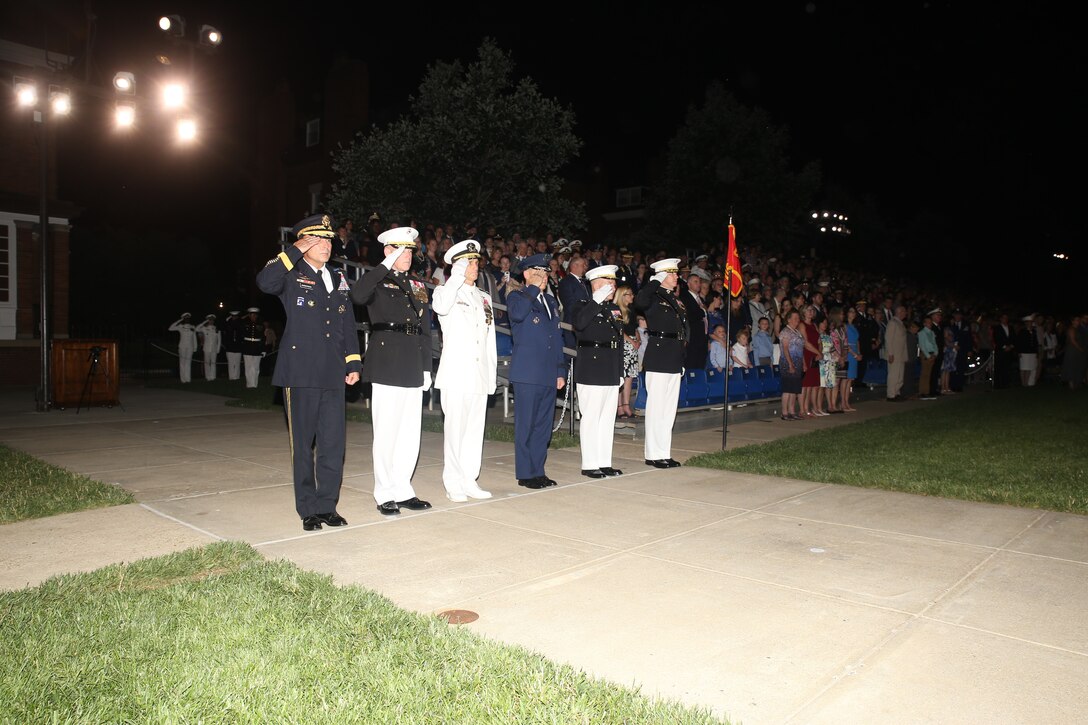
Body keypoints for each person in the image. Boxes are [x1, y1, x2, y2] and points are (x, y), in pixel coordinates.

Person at [255, 213, 362, 531]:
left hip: (333, 372)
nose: (326, 245)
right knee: (303, 444)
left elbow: (346, 322)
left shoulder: (338, 277)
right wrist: (293, 252)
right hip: (301, 371)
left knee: (333, 444)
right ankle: (308, 509)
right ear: (304, 241)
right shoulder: (291, 273)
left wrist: (353, 361)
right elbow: (265, 282)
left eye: (329, 240)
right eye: (319, 239)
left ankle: (328, 505)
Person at [350, 226, 434, 516]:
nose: (408, 255)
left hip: (412, 361)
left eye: (410, 250)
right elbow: (357, 296)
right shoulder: (376, 280)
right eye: (401, 250)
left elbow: (425, 329)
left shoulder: (418, 286)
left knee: (410, 433)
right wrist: (382, 266)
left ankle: (403, 488)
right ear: (388, 251)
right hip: (386, 361)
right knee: (386, 432)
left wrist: (426, 368)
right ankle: (384, 491)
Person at [431, 239, 497, 502]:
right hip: (457, 374)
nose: (474, 266)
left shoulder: (484, 297)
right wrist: (455, 278)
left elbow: (489, 338)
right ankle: (453, 482)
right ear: (456, 266)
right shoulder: (445, 292)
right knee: (456, 431)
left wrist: (490, 374)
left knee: (474, 430)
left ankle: (470, 479)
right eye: (468, 262)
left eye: (475, 261)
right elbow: (440, 307)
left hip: (479, 374)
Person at [507, 253, 566, 488]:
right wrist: (532, 288)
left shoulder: (551, 303)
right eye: (537, 273)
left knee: (543, 427)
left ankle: (538, 470)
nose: (543, 277)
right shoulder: (517, 296)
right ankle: (525, 473)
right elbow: (518, 314)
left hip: (548, 373)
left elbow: (557, 338)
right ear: (526, 274)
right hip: (527, 373)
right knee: (526, 425)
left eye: (545, 273)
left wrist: (560, 369)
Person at [571, 264, 625, 479]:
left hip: (610, 367)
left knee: (607, 419)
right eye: (608, 283)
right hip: (591, 368)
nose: (613, 286)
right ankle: (590, 463)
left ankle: (604, 462)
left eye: (613, 282)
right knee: (591, 417)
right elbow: (580, 324)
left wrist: (619, 370)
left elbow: (618, 341)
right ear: (596, 285)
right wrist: (596, 301)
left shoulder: (614, 309)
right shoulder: (582, 305)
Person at [634, 258, 688, 468]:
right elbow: (640, 301)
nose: (676, 276)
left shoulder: (674, 299)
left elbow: (684, 327)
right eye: (672, 273)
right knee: (657, 407)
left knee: (669, 409)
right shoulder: (653, 295)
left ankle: (664, 451)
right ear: (662, 275)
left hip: (674, 355)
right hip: (659, 354)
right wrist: (654, 281)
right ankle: (653, 453)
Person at [615, 285, 640, 425]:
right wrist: (631, 341)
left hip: (631, 345)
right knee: (621, 376)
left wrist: (638, 339)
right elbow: (619, 330)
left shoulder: (632, 311)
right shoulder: (617, 310)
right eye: (629, 294)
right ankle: (619, 407)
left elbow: (634, 328)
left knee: (629, 377)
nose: (632, 296)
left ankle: (626, 405)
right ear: (622, 296)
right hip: (623, 345)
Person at [778, 309, 805, 420]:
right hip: (787, 363)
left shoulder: (797, 332)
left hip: (797, 363)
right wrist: (790, 364)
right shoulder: (785, 332)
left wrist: (803, 363)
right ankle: (784, 413)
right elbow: (785, 349)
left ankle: (792, 411)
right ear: (788, 319)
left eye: (798, 318)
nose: (796, 320)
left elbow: (800, 349)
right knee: (788, 389)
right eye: (794, 318)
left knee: (795, 389)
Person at [884, 304, 908, 402]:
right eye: (904, 311)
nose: (905, 313)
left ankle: (896, 393)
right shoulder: (893, 323)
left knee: (899, 376)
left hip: (900, 354)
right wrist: (890, 353)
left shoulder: (900, 323)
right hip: (894, 354)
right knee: (893, 375)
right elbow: (888, 339)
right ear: (898, 312)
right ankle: (891, 395)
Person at [168, 312, 197, 383]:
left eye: (188, 318)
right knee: (182, 363)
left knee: (188, 363)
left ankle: (188, 379)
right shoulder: (180, 326)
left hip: (190, 347)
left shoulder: (192, 327)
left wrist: (195, 347)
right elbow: (170, 328)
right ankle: (183, 380)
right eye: (185, 318)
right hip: (182, 346)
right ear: (183, 319)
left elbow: (194, 338)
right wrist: (179, 320)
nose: (187, 319)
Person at [241, 307, 265, 388]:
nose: (253, 316)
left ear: (257, 316)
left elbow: (263, 338)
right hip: (247, 347)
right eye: (251, 315)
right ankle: (249, 384)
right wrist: (244, 317)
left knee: (256, 367)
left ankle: (254, 384)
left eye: (255, 315)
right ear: (249, 315)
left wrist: (263, 350)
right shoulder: (244, 323)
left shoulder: (261, 325)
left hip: (257, 347)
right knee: (248, 367)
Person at [1060, 314, 1086, 390]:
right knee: (1071, 366)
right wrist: (1081, 349)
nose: (1079, 321)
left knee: (1076, 366)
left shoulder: (1078, 329)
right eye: (1077, 320)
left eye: (1079, 320)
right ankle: (1071, 385)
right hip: (1072, 350)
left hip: (1076, 350)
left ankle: (1076, 384)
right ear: (1073, 321)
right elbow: (1073, 341)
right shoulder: (1071, 329)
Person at [194, 314, 221, 381]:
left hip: (214, 348)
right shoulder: (204, 328)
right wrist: (204, 322)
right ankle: (208, 377)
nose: (211, 321)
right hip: (206, 348)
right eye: (209, 320)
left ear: (214, 321)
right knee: (206, 363)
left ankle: (213, 376)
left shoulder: (216, 329)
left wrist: (218, 349)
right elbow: (196, 329)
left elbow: (219, 340)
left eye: (212, 320)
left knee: (213, 363)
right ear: (207, 321)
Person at [918, 315, 938, 398]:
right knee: (924, 373)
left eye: (930, 322)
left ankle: (927, 391)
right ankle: (922, 391)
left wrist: (935, 353)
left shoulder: (932, 332)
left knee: (929, 373)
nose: (930, 324)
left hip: (932, 353)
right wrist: (928, 355)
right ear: (924, 323)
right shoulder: (922, 333)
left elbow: (934, 344)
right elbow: (922, 345)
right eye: (928, 322)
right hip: (926, 354)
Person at [222, 310, 243, 380]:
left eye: (235, 316)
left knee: (237, 363)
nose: (234, 318)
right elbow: (224, 334)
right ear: (231, 316)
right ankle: (231, 377)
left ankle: (236, 377)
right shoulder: (227, 324)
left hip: (238, 347)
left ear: (237, 317)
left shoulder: (240, 324)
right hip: (229, 347)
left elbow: (242, 335)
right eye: (233, 316)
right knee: (230, 363)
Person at [941, 325, 959, 393]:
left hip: (950, 354)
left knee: (948, 371)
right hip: (946, 354)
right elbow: (947, 342)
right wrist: (954, 346)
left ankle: (947, 387)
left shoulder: (951, 335)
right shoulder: (945, 337)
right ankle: (943, 387)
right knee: (944, 371)